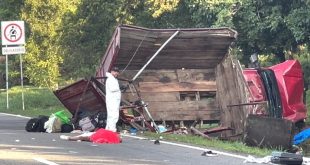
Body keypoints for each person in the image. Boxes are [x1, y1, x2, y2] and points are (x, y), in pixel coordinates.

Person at [105, 67, 121, 132]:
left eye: (117, 72)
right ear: (111, 72)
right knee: (113, 115)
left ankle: (108, 129)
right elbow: (112, 89)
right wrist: (120, 88)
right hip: (112, 100)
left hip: (114, 100)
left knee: (111, 115)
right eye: (115, 71)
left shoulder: (113, 79)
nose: (116, 73)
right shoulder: (110, 79)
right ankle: (112, 130)